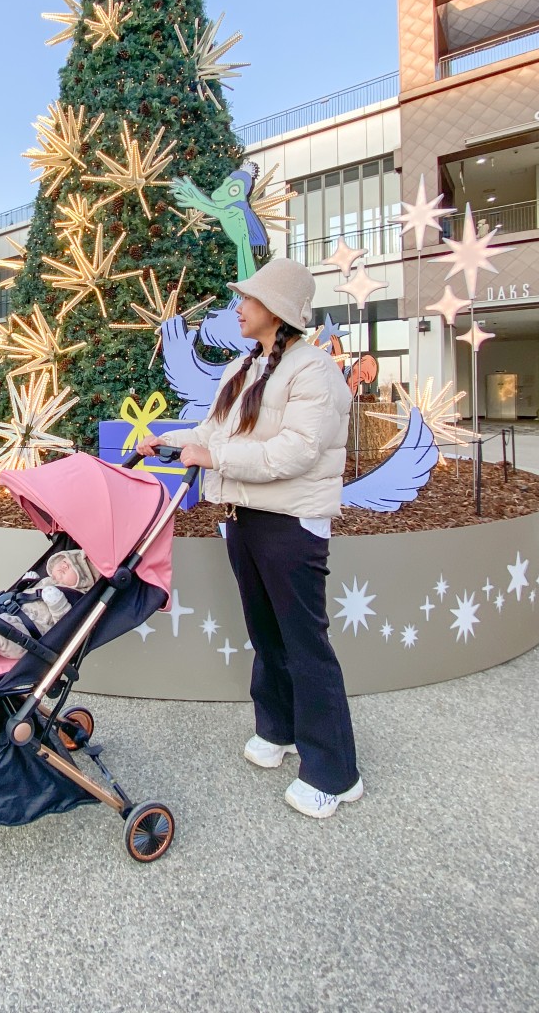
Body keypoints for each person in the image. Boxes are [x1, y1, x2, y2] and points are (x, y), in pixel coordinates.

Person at [138, 256, 362, 819]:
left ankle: (335, 772)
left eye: (248, 300)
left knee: (305, 643)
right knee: (266, 633)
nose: (238, 308)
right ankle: (278, 728)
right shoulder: (247, 366)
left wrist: (212, 455)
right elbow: (214, 430)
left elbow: (295, 452)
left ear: (278, 311)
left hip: (291, 523)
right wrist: (167, 441)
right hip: (245, 516)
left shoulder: (314, 371)